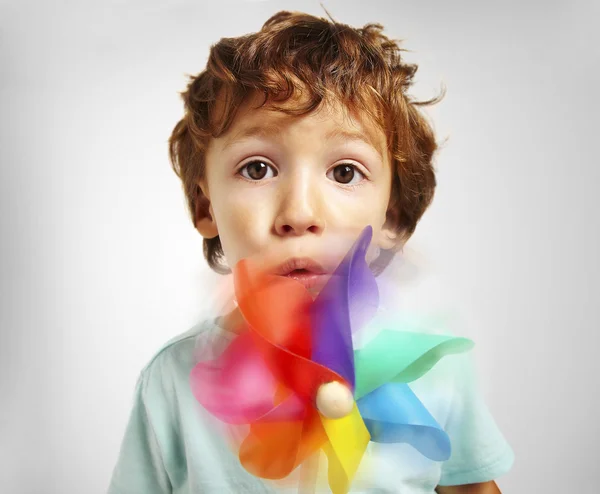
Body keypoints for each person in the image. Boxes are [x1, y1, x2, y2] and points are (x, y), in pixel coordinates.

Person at [107, 9, 514, 494]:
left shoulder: (433, 371)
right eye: (257, 169)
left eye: (344, 172)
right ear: (205, 204)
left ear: (391, 215)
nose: (299, 213)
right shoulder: (172, 381)